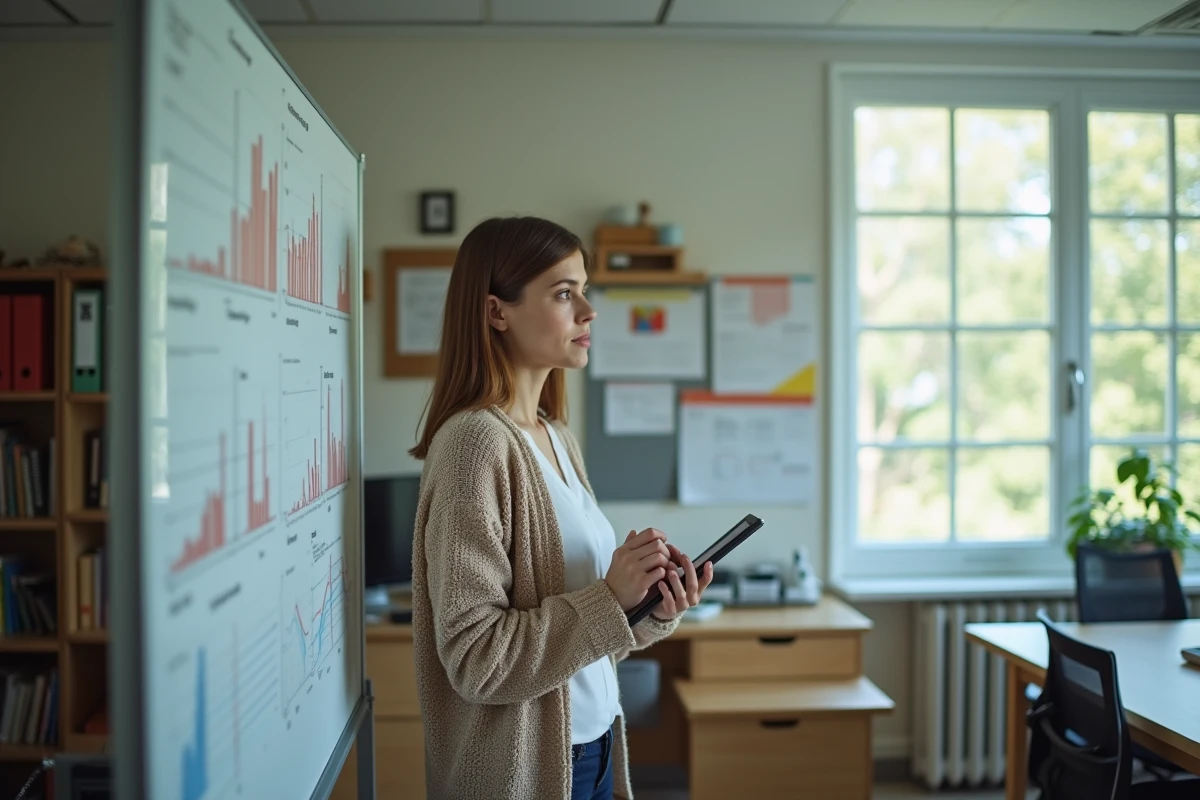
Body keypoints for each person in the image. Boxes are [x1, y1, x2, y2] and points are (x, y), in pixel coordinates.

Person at [408, 216, 714, 800]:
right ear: (498, 311)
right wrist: (609, 599)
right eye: (563, 293)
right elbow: (477, 660)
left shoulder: (555, 436)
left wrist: (649, 604)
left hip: (595, 750)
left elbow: (591, 635)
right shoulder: (474, 445)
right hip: (528, 772)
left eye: (585, 291)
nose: (589, 311)